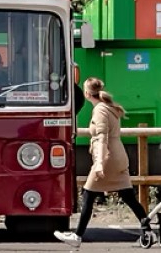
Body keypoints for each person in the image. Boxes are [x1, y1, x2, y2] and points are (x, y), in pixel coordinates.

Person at [54, 77, 149, 248]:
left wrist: (99, 163)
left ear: (87, 93)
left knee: (88, 195)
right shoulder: (109, 108)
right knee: (128, 196)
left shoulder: (99, 111)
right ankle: (147, 228)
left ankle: (77, 236)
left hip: (107, 158)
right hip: (119, 156)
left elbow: (102, 137)